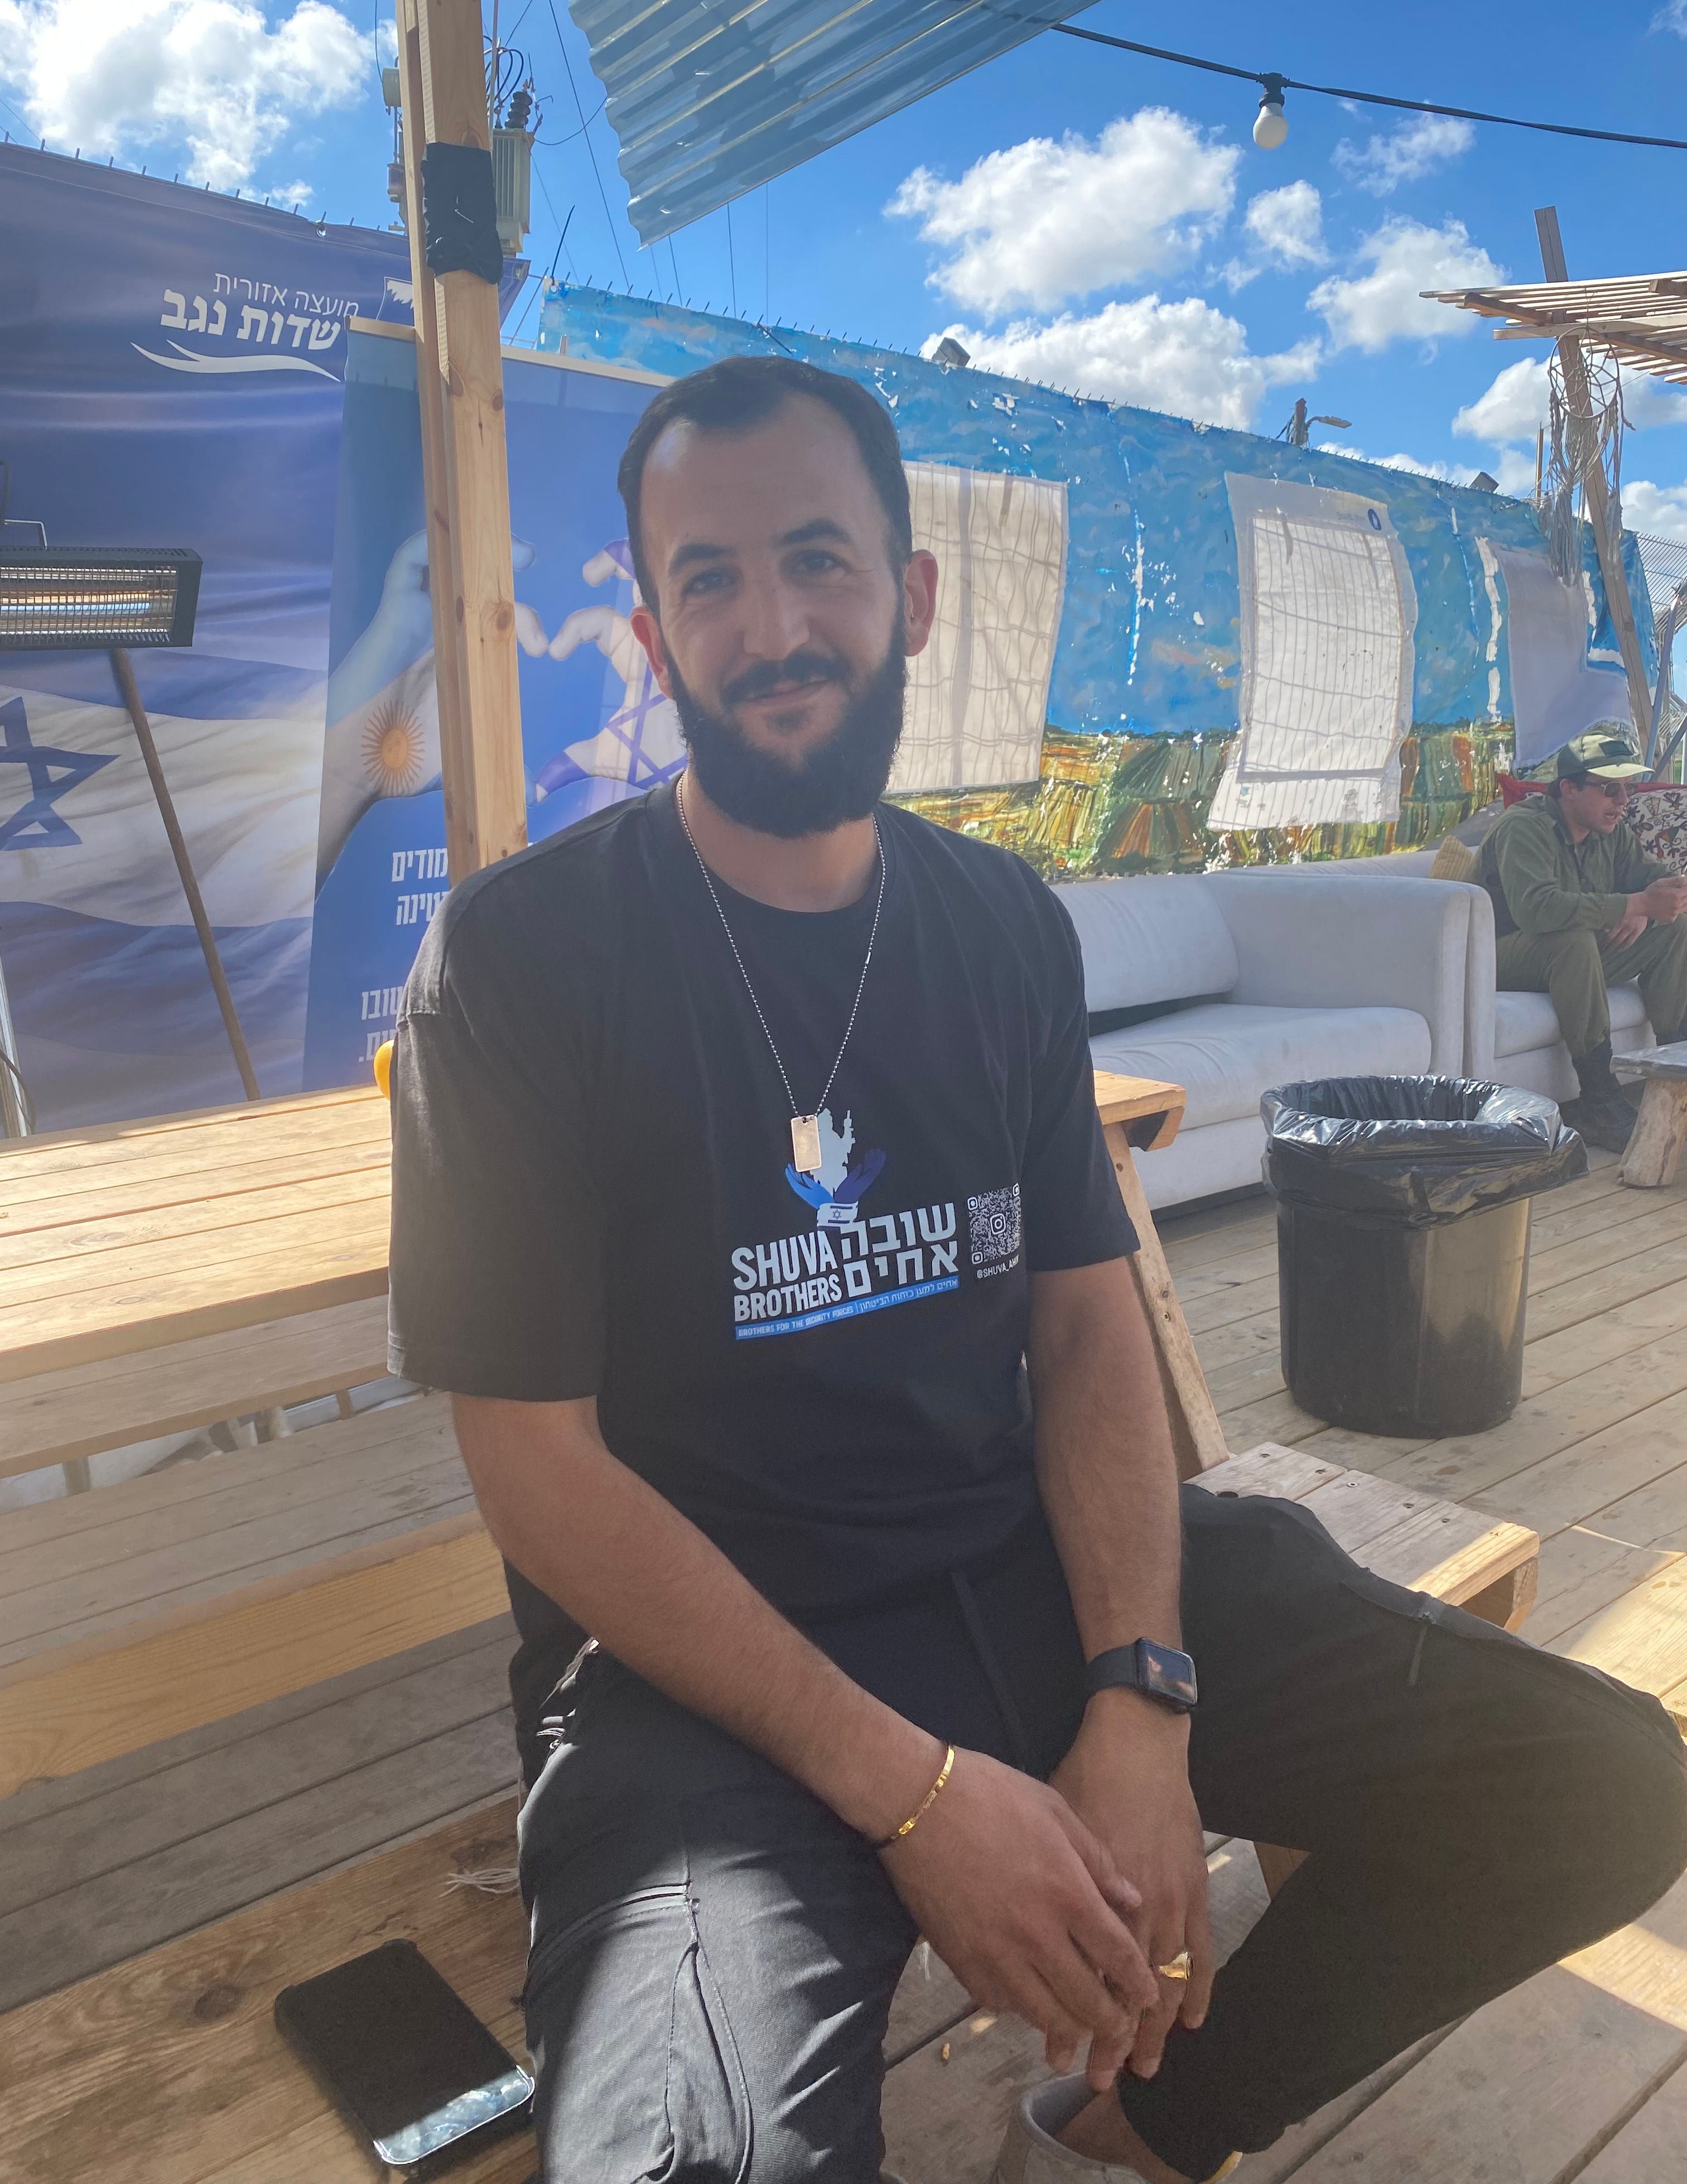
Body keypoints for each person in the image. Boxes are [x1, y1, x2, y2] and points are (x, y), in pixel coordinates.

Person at [387, 357, 1687, 2184]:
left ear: (913, 597)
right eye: (709, 580)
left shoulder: (997, 924)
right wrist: (917, 1796)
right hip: (705, 1689)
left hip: (1026, 1570)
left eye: (818, 560)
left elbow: (1087, 1322)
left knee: (1606, 1785)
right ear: (654, 632)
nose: (771, 625)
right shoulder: (523, 956)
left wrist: (1139, 1694)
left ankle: (1145, 2129)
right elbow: (534, 1465)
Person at [1478, 733, 1687, 1154]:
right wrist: (1633, 904)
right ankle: (1599, 1099)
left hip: (1570, 960)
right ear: (1568, 789)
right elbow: (1537, 911)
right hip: (1495, 958)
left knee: (1673, 926)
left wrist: (1650, 907)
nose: (1623, 800)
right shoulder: (1523, 827)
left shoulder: (1609, 831)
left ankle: (1677, 1069)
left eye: (1628, 788)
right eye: (1610, 789)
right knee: (1570, 939)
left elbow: (1658, 883)